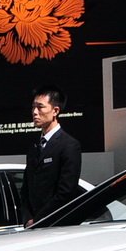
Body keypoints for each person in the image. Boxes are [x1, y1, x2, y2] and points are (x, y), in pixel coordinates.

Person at [20, 85, 82, 224]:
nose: (35, 112)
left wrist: (38, 220)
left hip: (56, 224)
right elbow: (26, 188)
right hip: (31, 226)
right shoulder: (34, 146)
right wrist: (27, 218)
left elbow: (66, 192)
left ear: (55, 111)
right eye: (33, 107)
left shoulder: (69, 145)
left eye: (40, 107)